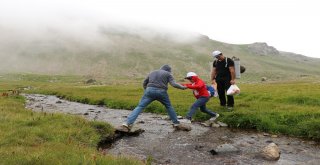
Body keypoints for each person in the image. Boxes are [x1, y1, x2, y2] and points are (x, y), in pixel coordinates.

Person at [123, 64, 187, 130]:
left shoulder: (152, 72)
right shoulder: (168, 74)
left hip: (149, 90)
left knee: (140, 107)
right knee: (169, 106)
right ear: (169, 70)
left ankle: (127, 123)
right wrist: (183, 87)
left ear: (161, 68)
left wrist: (147, 90)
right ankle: (176, 123)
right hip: (161, 92)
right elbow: (174, 84)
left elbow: (144, 82)